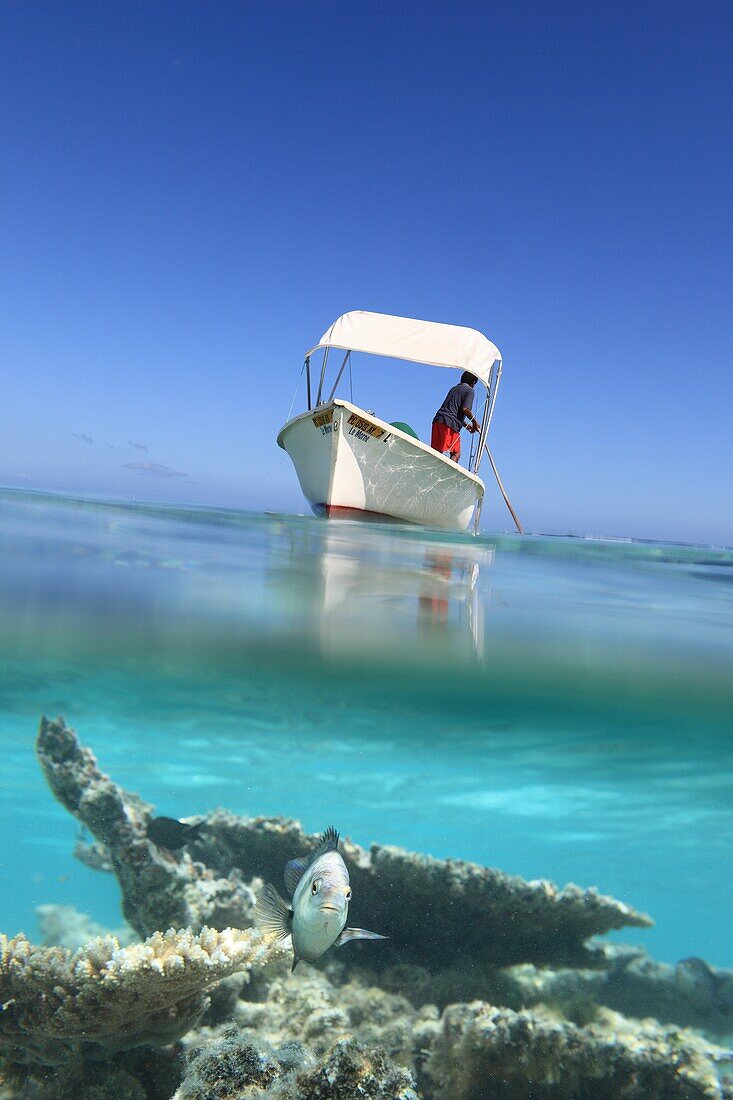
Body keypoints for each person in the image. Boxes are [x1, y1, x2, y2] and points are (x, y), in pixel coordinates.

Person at [431, 371, 480, 462]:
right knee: (456, 454)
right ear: (473, 383)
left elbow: (452, 410)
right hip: (449, 424)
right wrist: (474, 422)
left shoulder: (454, 388)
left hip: (438, 420)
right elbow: (465, 409)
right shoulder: (470, 390)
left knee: (437, 453)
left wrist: (466, 426)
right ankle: (446, 475)